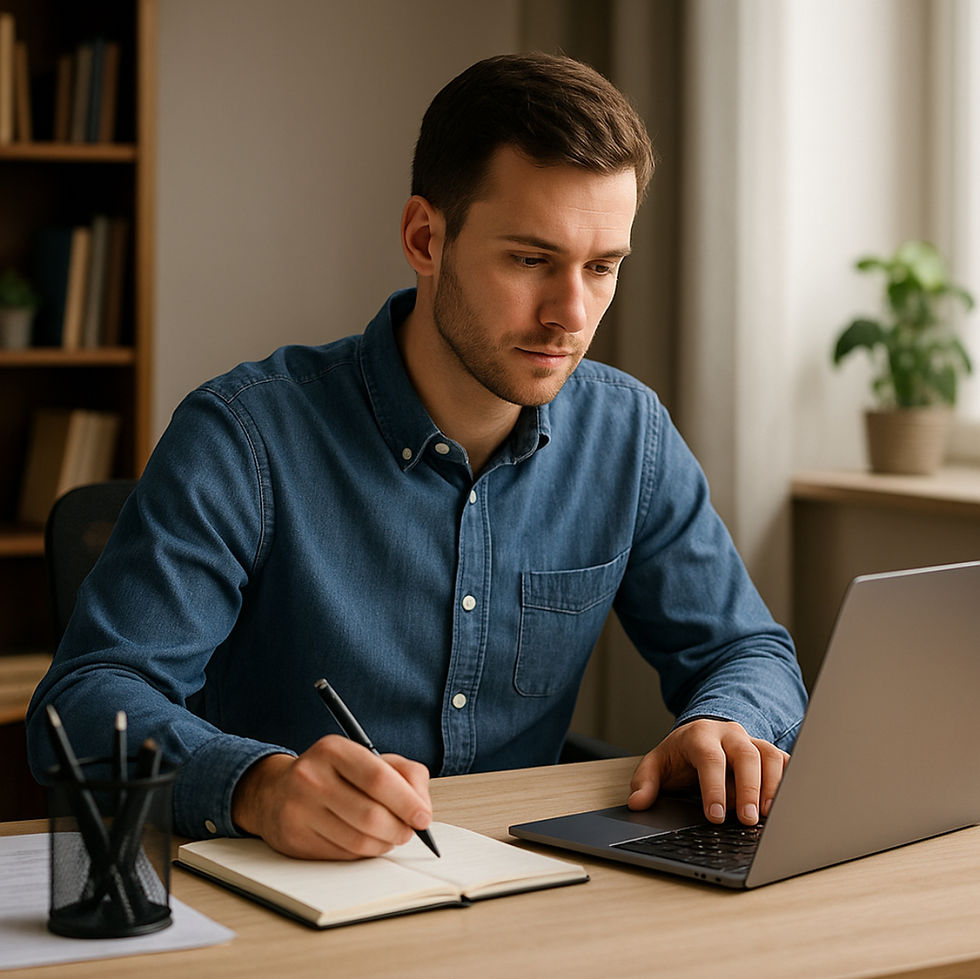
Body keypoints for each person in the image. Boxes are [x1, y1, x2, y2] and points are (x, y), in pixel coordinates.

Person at [27, 52, 807, 861]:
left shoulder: (628, 435)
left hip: (527, 889)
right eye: (531, 260)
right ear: (425, 238)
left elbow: (746, 649)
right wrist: (255, 785)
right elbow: (87, 700)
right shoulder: (243, 435)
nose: (570, 314)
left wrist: (728, 725)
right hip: (279, 886)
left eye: (602, 267)